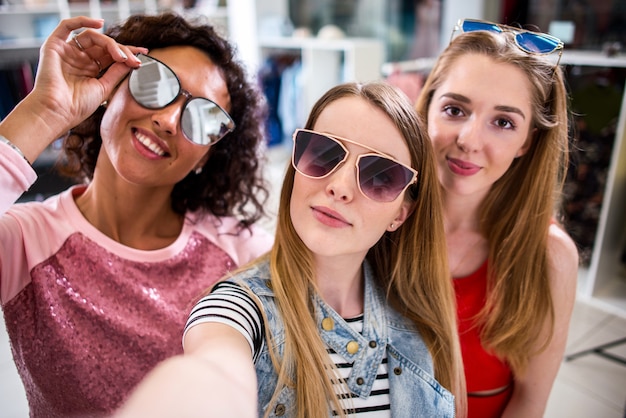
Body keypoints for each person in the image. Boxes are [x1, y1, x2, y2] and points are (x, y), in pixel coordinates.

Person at [115, 81, 467, 418]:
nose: (340, 187)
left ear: (401, 214)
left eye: (380, 176)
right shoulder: (239, 309)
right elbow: (213, 371)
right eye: (323, 153)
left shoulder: (420, 315)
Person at [0, 12, 273, 417]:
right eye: (154, 82)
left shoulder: (243, 253)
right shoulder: (25, 240)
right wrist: (44, 112)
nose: (166, 119)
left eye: (203, 118)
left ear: (209, 155)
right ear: (111, 85)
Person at [414, 19, 579, 417]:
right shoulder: (382, 214)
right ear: (428, 107)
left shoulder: (550, 257)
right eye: (455, 109)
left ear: (528, 142)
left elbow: (528, 402)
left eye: (503, 122)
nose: (469, 140)